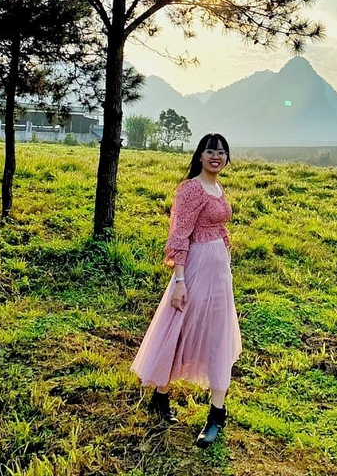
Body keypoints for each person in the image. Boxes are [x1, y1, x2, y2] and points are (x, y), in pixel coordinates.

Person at [131, 133, 242, 448]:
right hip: (193, 272)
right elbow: (179, 236)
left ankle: (216, 414)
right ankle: (160, 396)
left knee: (219, 336)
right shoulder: (191, 189)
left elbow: (219, 228)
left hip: (220, 274)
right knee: (179, 330)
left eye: (222, 151)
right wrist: (179, 281)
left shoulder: (218, 188)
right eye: (210, 151)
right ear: (200, 155)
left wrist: (226, 261)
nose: (216, 156)